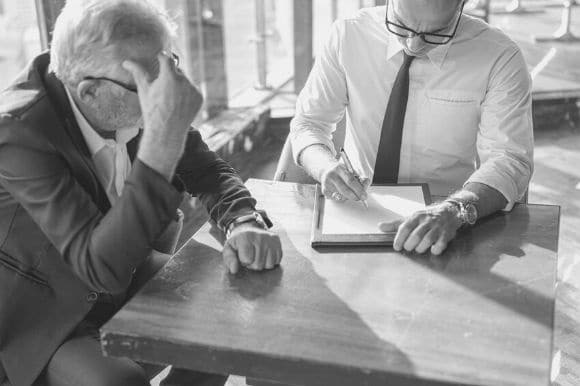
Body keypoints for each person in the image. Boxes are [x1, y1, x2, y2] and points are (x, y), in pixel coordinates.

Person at [0, 0, 282, 385]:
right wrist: (161, 145)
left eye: (169, 65)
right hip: (42, 309)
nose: (166, 90)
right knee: (119, 380)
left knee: (226, 310)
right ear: (89, 91)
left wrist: (244, 221)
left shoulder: (128, 87)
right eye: (148, 82)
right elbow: (100, 270)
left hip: (122, 266)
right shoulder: (18, 134)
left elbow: (207, 169)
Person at [290, 0, 533, 255]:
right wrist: (325, 166)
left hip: (446, 219)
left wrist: (455, 208)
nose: (413, 44)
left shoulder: (500, 57)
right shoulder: (348, 35)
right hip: (358, 208)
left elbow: (508, 160)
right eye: (401, 25)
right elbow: (309, 123)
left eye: (437, 33)